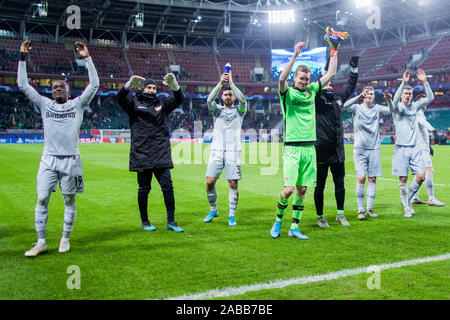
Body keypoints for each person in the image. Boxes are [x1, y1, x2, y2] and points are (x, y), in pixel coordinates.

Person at [18, 40, 99, 257]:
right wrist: (23, 58)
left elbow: (94, 85)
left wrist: (87, 58)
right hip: (48, 159)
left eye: (61, 86)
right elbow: (23, 85)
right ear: (51, 92)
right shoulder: (44, 104)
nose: (57, 89)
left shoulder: (77, 104)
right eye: (54, 87)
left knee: (69, 200)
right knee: (42, 198)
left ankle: (65, 239)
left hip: (71, 160)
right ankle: (41, 242)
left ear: (68, 90)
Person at [270, 27, 348, 240]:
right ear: (295, 78)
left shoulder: (313, 90)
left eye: (306, 79)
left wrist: (334, 51)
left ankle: (294, 227)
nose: (304, 81)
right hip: (293, 149)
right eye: (301, 78)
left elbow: (331, 73)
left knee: (302, 190)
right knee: (288, 190)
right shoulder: (287, 94)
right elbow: (280, 80)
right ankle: (278, 221)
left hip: (309, 149)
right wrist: (295, 56)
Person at [116, 73, 184, 232]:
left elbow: (179, 99)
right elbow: (119, 98)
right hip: (142, 153)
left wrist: (174, 85)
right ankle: (145, 221)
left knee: (168, 187)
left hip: (161, 152)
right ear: (142, 88)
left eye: (154, 88)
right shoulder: (133, 103)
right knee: (144, 189)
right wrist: (128, 85)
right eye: (149, 87)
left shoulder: (162, 103)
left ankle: (171, 221)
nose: (152, 90)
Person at [314, 55, 359, 228]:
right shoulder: (316, 99)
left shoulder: (339, 97)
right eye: (327, 82)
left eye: (332, 83)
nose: (330, 84)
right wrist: (330, 59)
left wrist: (353, 68)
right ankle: (320, 216)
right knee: (320, 187)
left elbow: (351, 85)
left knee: (340, 185)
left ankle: (340, 214)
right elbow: (320, 81)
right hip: (321, 150)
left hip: (338, 151)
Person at [385, 69, 434, 218]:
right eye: (406, 94)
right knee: (403, 179)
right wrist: (403, 83)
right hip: (401, 149)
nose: (408, 96)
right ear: (402, 95)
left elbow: (430, 98)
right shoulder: (397, 108)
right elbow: (392, 104)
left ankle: (405, 200)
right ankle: (406, 207)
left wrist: (425, 81)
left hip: (415, 148)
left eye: (410, 94)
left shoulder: (415, 107)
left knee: (421, 176)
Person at [203, 72, 247, 226]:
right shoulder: (217, 111)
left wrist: (232, 84)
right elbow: (209, 100)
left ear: (233, 97)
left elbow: (243, 100)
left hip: (233, 152)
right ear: (222, 97)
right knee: (209, 182)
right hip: (216, 151)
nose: (228, 96)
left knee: (233, 183)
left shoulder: (239, 112)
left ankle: (231, 215)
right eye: (226, 94)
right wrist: (221, 84)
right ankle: (213, 209)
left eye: (230, 94)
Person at [343, 86, 391, 220]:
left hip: (374, 148)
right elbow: (345, 105)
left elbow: (392, 110)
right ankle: (360, 210)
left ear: (374, 96)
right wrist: (358, 97)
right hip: (360, 149)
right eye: (367, 93)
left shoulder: (377, 108)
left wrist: (389, 101)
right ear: (364, 95)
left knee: (372, 179)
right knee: (361, 178)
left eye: (371, 94)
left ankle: (369, 209)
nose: (369, 96)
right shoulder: (357, 108)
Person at [410, 94, 445, 206]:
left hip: (422, 147)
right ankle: (431, 198)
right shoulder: (418, 112)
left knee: (420, 174)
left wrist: (429, 146)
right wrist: (434, 131)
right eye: (423, 100)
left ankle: (414, 198)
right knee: (430, 171)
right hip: (420, 148)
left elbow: (421, 132)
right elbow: (423, 123)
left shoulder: (420, 113)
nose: (425, 102)